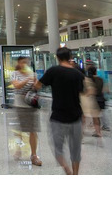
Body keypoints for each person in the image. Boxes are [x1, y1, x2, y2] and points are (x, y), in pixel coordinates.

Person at [34, 47, 85, 175]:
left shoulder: (53, 71)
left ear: (57, 57)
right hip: (76, 116)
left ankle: (67, 170)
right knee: (76, 150)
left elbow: (37, 86)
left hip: (58, 116)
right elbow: (83, 92)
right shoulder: (77, 74)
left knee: (58, 149)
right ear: (70, 57)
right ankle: (75, 174)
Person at [10, 56, 42, 166]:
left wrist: (36, 82)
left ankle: (34, 155)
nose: (25, 64)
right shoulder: (14, 74)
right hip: (20, 105)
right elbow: (17, 86)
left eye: (27, 62)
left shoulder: (32, 74)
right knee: (19, 130)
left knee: (33, 130)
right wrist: (27, 79)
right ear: (19, 63)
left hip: (31, 105)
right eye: (23, 62)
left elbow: (38, 87)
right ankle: (18, 149)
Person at [82, 66, 104, 138]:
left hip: (90, 100)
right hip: (100, 99)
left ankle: (81, 132)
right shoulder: (100, 79)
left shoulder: (87, 80)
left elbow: (88, 91)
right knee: (96, 117)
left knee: (83, 117)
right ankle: (98, 132)